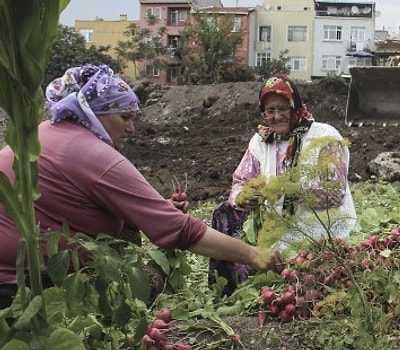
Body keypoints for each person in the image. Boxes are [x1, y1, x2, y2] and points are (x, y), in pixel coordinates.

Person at [0, 64, 283, 309]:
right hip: (21, 284)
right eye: (125, 117)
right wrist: (251, 254)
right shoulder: (93, 154)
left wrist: (153, 210)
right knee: (148, 280)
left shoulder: (44, 132)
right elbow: (178, 229)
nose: (132, 128)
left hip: (18, 267)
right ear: (93, 112)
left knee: (128, 232)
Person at [209, 73, 356, 295]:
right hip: (277, 232)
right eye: (270, 111)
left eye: (283, 108)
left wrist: (293, 191)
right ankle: (228, 288)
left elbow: (335, 193)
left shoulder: (325, 138)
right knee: (224, 214)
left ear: (295, 106)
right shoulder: (261, 141)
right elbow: (240, 181)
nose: (276, 116)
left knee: (309, 284)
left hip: (322, 232)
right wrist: (243, 197)